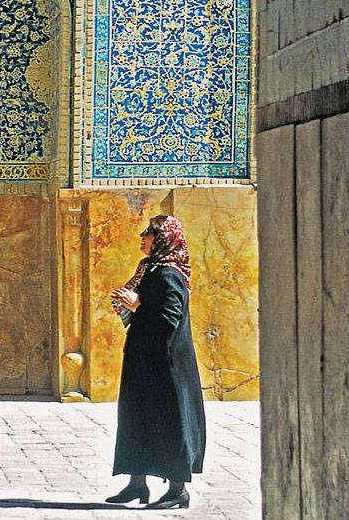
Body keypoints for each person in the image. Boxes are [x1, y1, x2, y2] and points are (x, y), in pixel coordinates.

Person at [106, 214, 206, 510]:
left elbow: (168, 319)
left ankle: (178, 490)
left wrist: (137, 305)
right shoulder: (151, 269)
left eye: (148, 233)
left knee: (169, 421)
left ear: (163, 239)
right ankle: (137, 484)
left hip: (166, 367)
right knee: (138, 417)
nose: (142, 237)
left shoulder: (169, 275)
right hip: (145, 361)